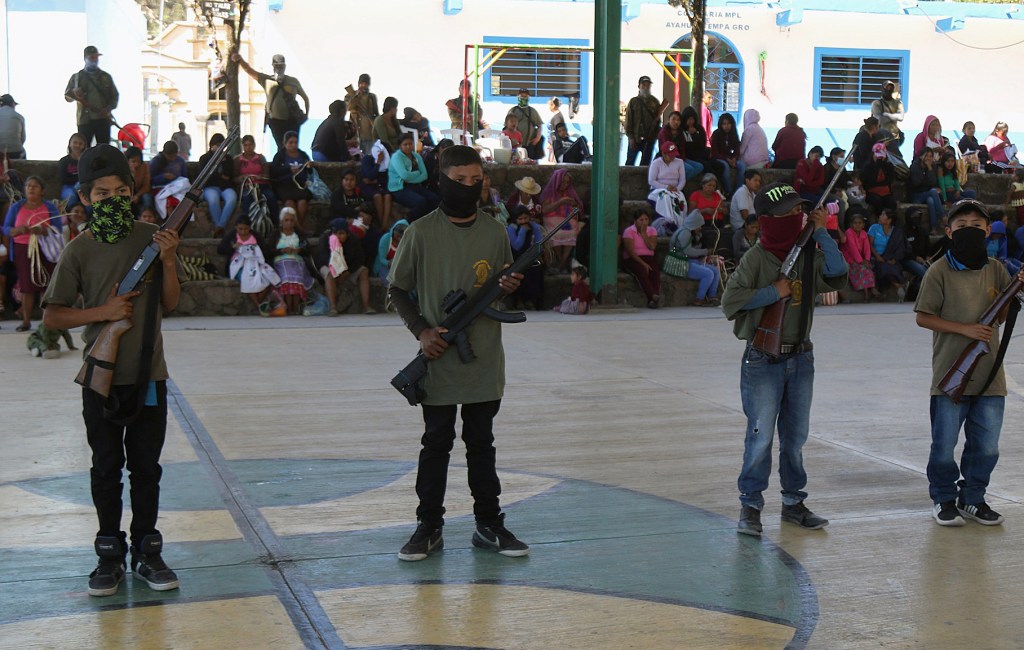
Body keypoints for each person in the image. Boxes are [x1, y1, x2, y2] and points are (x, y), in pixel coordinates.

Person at [41, 144, 183, 597]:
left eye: (122, 190)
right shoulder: (79, 250)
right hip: (101, 376)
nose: (114, 199)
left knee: (146, 469)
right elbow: (53, 316)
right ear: (85, 198)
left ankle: (146, 548)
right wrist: (102, 312)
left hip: (149, 376)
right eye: (103, 194)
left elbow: (171, 303)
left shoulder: (150, 237)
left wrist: (167, 259)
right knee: (106, 467)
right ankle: (108, 552)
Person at [387, 144, 528, 561]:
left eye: (475, 180)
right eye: (459, 180)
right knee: (436, 443)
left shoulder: (494, 232)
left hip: (484, 358)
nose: (468, 187)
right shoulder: (421, 232)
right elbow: (397, 288)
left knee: (481, 443)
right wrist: (422, 331)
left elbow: (499, 289)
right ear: (441, 181)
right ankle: (428, 525)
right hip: (439, 359)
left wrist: (508, 288)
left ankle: (489, 523)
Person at [721, 182, 848, 537]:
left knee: (795, 438)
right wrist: (771, 292)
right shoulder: (756, 258)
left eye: (800, 211)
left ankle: (794, 503)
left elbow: (839, 274)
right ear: (768, 220)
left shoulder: (807, 253)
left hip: (801, 358)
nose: (798, 216)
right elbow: (730, 302)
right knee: (760, 437)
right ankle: (751, 505)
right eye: (790, 212)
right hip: (763, 360)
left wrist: (821, 234)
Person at [914, 200, 1022, 527]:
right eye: (961, 227)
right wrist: (965, 329)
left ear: (988, 231)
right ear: (948, 232)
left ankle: (972, 498)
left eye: (977, 225)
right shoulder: (938, 271)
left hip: (990, 376)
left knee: (987, 447)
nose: (970, 231)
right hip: (951, 373)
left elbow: (1001, 317)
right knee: (944, 446)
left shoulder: (995, 268)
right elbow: (923, 317)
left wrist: (1014, 291)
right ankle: (944, 498)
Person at [3, 175, 61, 331]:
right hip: (23, 250)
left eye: (35, 186)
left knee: (45, 283)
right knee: (26, 286)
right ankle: (26, 321)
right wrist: (16, 230)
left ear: (42, 190)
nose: (31, 188)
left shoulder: (49, 207)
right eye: (28, 186)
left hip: (44, 249)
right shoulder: (17, 207)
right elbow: (6, 228)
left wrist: (42, 230)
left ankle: (46, 321)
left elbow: (58, 228)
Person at [233, 52, 309, 147]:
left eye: (281, 65)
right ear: (273, 66)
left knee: (292, 146)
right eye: (277, 65)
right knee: (281, 146)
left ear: (285, 66)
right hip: (276, 121)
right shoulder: (266, 80)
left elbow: (305, 98)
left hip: (292, 120)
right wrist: (240, 60)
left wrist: (306, 114)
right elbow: (249, 70)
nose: (279, 68)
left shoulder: (293, 81)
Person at [218, 215, 278, 312]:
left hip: (255, 265)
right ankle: (259, 307)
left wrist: (255, 250)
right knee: (247, 280)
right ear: (236, 227)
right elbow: (220, 249)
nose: (243, 231)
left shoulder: (256, 236)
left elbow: (266, 252)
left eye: (245, 229)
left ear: (249, 228)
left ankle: (258, 306)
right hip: (239, 267)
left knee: (269, 279)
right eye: (240, 229)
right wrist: (233, 247)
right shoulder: (232, 236)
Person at [64, 45, 119, 145]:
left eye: (96, 57)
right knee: (84, 150)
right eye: (92, 57)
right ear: (85, 59)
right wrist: (74, 93)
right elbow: (67, 96)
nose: (95, 60)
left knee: (103, 150)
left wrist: (107, 109)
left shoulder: (105, 77)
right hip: (84, 120)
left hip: (102, 119)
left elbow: (115, 96)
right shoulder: (77, 77)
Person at [268, 207, 314, 314]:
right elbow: (269, 251)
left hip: (297, 262)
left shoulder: (298, 234)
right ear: (281, 221)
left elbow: (307, 249)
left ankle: (295, 307)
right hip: (281, 262)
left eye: (291, 220)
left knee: (297, 277)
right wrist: (282, 250)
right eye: (286, 220)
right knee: (287, 276)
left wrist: (299, 250)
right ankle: (289, 306)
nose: (289, 223)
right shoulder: (276, 234)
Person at [538, 168, 584, 274]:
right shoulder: (549, 193)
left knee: (573, 232)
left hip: (566, 219)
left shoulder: (569, 193)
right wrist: (560, 202)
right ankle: (562, 262)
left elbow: (577, 208)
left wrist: (573, 205)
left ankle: (561, 263)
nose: (565, 185)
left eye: (568, 182)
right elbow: (544, 210)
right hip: (551, 219)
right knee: (555, 232)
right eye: (563, 182)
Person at [674, 210, 722, 306]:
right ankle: (699, 299)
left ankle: (712, 297)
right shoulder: (684, 233)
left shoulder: (693, 234)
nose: (700, 228)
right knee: (708, 274)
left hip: (691, 261)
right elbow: (688, 251)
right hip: (680, 263)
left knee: (715, 270)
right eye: (699, 226)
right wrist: (705, 252)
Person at [389, 132, 438, 221]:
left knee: (434, 198)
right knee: (420, 202)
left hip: (412, 185)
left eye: (410, 144)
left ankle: (428, 221)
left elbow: (424, 175)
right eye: (405, 144)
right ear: (400, 146)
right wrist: (417, 173)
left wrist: (410, 179)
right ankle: (409, 221)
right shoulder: (397, 157)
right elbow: (404, 175)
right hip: (399, 188)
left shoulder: (416, 156)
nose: (408, 146)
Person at [270, 131, 314, 230]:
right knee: (289, 202)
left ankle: (298, 227)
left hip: (300, 185)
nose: (293, 145)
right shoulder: (280, 156)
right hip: (284, 185)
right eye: (291, 142)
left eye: (295, 142)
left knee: (302, 202)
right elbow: (274, 171)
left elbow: (310, 171)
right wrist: (288, 170)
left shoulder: (303, 155)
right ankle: (299, 229)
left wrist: (309, 166)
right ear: (285, 143)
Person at [198, 133, 238, 237]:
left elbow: (229, 175)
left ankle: (220, 227)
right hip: (210, 187)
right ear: (212, 145)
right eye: (217, 145)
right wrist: (220, 174)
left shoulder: (227, 159)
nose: (220, 147)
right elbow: (205, 177)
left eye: (221, 145)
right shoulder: (204, 158)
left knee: (232, 198)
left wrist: (223, 164)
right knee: (213, 199)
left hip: (225, 187)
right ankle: (219, 228)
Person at [235, 134, 279, 229]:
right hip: (247, 187)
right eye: (245, 145)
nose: (248, 147)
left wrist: (260, 177)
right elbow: (234, 178)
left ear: (254, 145)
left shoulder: (260, 158)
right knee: (247, 200)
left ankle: (275, 224)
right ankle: (247, 226)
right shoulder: (238, 160)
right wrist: (243, 178)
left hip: (262, 185)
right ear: (242, 146)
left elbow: (267, 175)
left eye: (250, 144)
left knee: (271, 197)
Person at [506, 206, 545, 309]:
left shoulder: (534, 227)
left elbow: (539, 243)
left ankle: (531, 300)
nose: (523, 221)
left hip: (530, 257)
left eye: (525, 218)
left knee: (536, 270)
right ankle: (517, 299)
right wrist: (523, 231)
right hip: (515, 258)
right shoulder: (511, 228)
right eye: (520, 219)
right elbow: (517, 246)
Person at [621, 208, 661, 309]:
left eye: (646, 219)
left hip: (649, 257)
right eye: (641, 220)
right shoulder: (629, 231)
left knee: (655, 271)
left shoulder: (652, 230)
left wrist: (644, 234)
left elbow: (652, 247)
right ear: (635, 221)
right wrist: (643, 263)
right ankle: (652, 296)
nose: (644, 222)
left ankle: (653, 299)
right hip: (633, 259)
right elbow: (630, 251)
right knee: (642, 271)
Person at [624, 76, 668, 166]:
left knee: (645, 165)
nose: (646, 87)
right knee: (629, 163)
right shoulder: (633, 102)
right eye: (643, 85)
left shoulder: (654, 102)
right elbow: (628, 121)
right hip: (635, 138)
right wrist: (631, 138)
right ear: (639, 86)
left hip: (649, 138)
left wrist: (654, 137)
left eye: (648, 85)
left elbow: (658, 120)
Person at [648, 141, 688, 236]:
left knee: (680, 200)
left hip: (674, 190)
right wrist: (666, 187)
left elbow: (682, 180)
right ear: (663, 154)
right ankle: (668, 222)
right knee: (665, 197)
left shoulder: (679, 162)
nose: (672, 157)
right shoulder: (656, 163)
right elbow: (652, 181)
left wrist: (677, 189)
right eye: (670, 155)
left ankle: (680, 225)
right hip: (658, 189)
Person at [867, 210, 908, 301]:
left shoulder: (896, 232)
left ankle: (898, 287)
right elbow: (869, 245)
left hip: (890, 257)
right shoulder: (874, 228)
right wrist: (877, 256)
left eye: (883, 215)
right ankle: (900, 286)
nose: (880, 216)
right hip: (875, 256)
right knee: (883, 266)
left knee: (891, 266)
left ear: (889, 220)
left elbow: (900, 247)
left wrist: (894, 259)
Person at [841, 211, 878, 301]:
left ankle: (869, 292)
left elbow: (867, 248)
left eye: (860, 223)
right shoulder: (849, 233)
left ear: (863, 225)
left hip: (861, 258)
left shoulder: (864, 233)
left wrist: (867, 260)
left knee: (868, 267)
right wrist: (862, 261)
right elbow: (853, 249)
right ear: (851, 224)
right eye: (855, 223)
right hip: (849, 258)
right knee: (861, 268)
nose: (857, 225)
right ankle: (868, 292)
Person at [659, 110, 704, 179]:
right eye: (673, 119)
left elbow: (682, 148)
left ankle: (678, 182)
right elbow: (667, 148)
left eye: (678, 120)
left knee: (700, 166)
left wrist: (682, 159)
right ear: (668, 120)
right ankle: (677, 183)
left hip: (680, 157)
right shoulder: (664, 132)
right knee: (690, 169)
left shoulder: (680, 132)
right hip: (668, 158)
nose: (676, 122)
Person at [710, 112, 745, 196]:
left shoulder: (733, 134)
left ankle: (737, 192)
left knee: (743, 166)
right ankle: (728, 191)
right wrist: (727, 159)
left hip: (730, 158)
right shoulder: (716, 134)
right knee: (725, 166)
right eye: (724, 124)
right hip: (718, 158)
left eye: (728, 123)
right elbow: (714, 152)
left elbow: (736, 149)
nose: (726, 126)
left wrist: (734, 158)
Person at [908, 148, 943, 230]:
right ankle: (943, 216)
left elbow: (933, 182)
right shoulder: (915, 166)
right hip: (916, 195)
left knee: (931, 200)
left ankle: (934, 227)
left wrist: (930, 169)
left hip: (927, 194)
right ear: (921, 157)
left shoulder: (932, 167)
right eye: (926, 156)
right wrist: (928, 182)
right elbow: (917, 183)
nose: (928, 158)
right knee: (933, 191)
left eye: (930, 156)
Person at [505, 88, 544, 160]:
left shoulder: (532, 111)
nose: (523, 98)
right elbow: (506, 127)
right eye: (521, 96)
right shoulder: (513, 110)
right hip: (515, 146)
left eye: (525, 96)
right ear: (518, 97)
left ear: (529, 97)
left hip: (529, 145)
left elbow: (539, 125)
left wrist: (537, 138)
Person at [361, 141, 393, 226]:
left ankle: (384, 224)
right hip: (369, 187)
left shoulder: (387, 162)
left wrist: (377, 180)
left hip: (381, 185)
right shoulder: (367, 159)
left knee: (388, 196)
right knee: (378, 196)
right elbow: (370, 176)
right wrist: (378, 162)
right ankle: (380, 223)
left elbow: (387, 177)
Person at [346, 73, 379, 155]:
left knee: (369, 156)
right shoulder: (350, 95)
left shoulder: (372, 97)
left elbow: (376, 113)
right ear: (358, 84)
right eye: (362, 83)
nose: (364, 85)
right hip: (355, 132)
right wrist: (355, 96)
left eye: (366, 83)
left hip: (368, 132)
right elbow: (348, 108)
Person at [862, 142, 897, 218]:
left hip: (886, 191)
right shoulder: (867, 166)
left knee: (892, 203)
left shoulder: (889, 166)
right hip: (872, 192)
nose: (879, 159)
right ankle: (880, 219)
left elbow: (889, 180)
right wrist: (876, 167)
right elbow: (870, 181)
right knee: (877, 201)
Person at [870, 81, 905, 152]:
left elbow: (901, 117)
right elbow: (879, 119)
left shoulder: (898, 103)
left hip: (894, 136)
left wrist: (886, 115)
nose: (889, 91)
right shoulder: (876, 103)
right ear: (882, 89)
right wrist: (894, 117)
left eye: (891, 88)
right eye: (887, 88)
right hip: (881, 137)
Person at [679, 106, 713, 176]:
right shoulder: (681, 129)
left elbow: (702, 145)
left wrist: (695, 134)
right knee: (705, 166)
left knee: (715, 164)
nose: (690, 122)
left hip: (699, 154)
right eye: (688, 119)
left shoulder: (699, 129)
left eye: (692, 119)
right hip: (688, 156)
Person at [374, 218, 409, 286]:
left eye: (404, 234)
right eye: (399, 231)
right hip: (384, 266)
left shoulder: (407, 243)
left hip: (399, 268)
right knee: (391, 283)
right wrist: (390, 263)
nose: (400, 235)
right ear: (393, 230)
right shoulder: (386, 239)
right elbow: (381, 258)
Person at [59, 133, 88, 204]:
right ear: (70, 144)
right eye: (75, 143)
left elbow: (89, 175)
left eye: (80, 143)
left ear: (84, 146)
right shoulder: (64, 161)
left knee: (88, 199)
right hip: (68, 187)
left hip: (84, 186)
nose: (77, 145)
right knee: (71, 198)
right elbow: (63, 179)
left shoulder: (87, 160)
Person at [0, 94, 26, 159]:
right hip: (15, 152)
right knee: (23, 153)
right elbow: (22, 139)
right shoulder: (20, 117)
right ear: (12, 104)